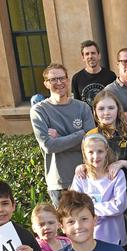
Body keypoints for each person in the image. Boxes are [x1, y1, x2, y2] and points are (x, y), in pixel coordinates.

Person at [30, 63, 96, 206]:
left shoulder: (82, 107)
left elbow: (92, 142)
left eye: (62, 78)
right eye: (53, 79)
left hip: (86, 177)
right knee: (66, 226)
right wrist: (80, 134)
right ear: (46, 84)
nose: (59, 83)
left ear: (67, 80)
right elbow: (48, 146)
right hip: (59, 182)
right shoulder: (39, 111)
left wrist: (60, 138)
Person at [71, 133, 127, 245]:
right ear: (84, 153)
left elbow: (120, 205)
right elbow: (76, 206)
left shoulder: (117, 174)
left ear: (106, 151)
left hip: (114, 237)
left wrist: (89, 209)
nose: (96, 156)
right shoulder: (81, 177)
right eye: (90, 152)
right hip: (89, 238)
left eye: (100, 151)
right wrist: (106, 207)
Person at [71, 40, 116, 108]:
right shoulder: (76, 78)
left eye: (93, 53)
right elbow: (76, 104)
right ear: (83, 58)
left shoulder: (110, 76)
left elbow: (115, 100)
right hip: (86, 118)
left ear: (99, 55)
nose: (90, 56)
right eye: (87, 54)